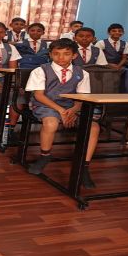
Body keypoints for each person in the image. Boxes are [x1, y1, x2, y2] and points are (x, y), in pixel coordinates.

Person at [25, 39, 101, 189]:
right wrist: (61, 111)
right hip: (46, 105)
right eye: (56, 54)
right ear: (50, 54)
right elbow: (39, 95)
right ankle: (45, 156)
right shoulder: (40, 70)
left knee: (93, 127)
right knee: (51, 123)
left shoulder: (82, 73)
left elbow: (82, 97)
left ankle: (84, 166)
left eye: (66, 54)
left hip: (71, 107)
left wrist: (74, 110)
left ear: (74, 55)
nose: (61, 57)